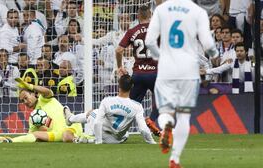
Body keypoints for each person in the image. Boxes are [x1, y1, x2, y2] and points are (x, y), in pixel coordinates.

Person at [145, 0, 219, 167]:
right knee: (184, 115)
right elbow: (207, 43)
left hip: (166, 69)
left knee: (165, 111)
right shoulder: (197, 11)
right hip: (189, 69)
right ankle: (175, 159)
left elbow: (150, 41)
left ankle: (166, 127)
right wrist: (214, 53)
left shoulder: (161, 9)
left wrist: (159, 56)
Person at [64, 74, 156, 144]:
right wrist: (152, 142)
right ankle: (90, 138)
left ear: (118, 86)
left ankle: (70, 119)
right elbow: (143, 129)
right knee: (126, 134)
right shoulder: (137, 106)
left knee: (92, 113)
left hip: (103, 133)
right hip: (118, 140)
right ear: (132, 87)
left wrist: (99, 142)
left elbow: (97, 123)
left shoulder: (107, 101)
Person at [0, 79, 83, 143]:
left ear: (33, 94)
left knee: (66, 136)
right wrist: (41, 131)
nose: (25, 102)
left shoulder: (44, 99)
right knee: (35, 135)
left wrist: (30, 86)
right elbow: (30, 136)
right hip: (56, 134)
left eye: (26, 98)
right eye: (22, 101)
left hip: (71, 126)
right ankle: (8, 140)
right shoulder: (33, 117)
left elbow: (47, 91)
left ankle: (84, 138)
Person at [115, 5, 161, 137]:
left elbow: (118, 50)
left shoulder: (132, 31)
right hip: (155, 73)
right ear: (151, 15)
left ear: (138, 16)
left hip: (138, 74)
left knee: (131, 104)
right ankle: (151, 120)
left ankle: (116, 127)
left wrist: (120, 66)